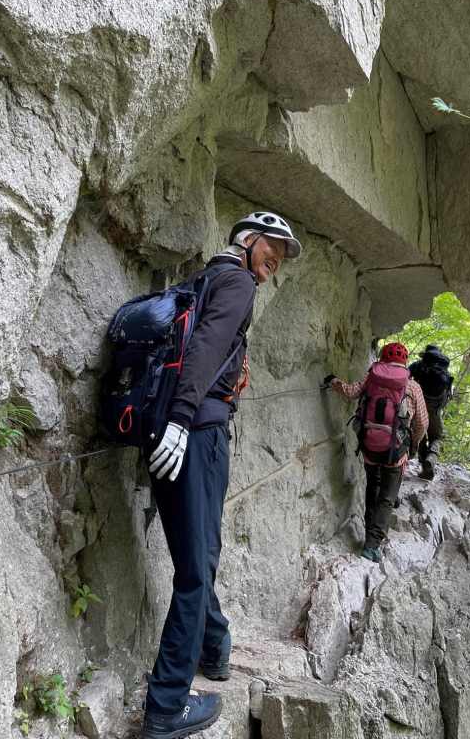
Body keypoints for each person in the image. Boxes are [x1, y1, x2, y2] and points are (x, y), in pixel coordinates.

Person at [142, 212, 302, 739]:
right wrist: (185, 419)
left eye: (278, 260)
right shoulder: (235, 282)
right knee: (197, 569)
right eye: (271, 250)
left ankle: (215, 648)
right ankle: (167, 706)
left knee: (197, 553)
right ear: (247, 240)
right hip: (196, 432)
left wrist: (170, 421)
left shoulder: (202, 278)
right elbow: (207, 348)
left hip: (166, 430)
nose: (273, 263)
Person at [323, 342, 427, 563]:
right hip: (397, 451)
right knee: (387, 498)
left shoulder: (372, 376)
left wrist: (333, 381)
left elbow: (351, 392)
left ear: (382, 358)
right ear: (404, 361)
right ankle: (371, 545)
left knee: (373, 485)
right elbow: (422, 424)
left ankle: (369, 529)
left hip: (370, 445)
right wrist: (414, 443)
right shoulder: (412, 386)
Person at [408, 344, 454, 480]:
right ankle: (431, 459)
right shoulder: (445, 371)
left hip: (418, 408)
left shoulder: (418, 365)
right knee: (436, 436)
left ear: (426, 354)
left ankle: (423, 463)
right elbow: (448, 393)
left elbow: (404, 379)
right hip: (435, 410)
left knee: (419, 434)